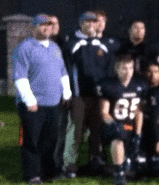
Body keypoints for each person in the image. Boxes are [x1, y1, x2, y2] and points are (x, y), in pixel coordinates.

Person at [12, 14, 73, 184]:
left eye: (48, 25)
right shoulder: (24, 48)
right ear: (34, 27)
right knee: (32, 141)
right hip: (33, 105)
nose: (46, 28)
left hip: (53, 103)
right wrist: (29, 100)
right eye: (42, 25)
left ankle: (47, 172)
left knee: (50, 141)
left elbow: (62, 72)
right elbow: (19, 76)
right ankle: (32, 174)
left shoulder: (54, 47)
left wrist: (66, 93)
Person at [63, 11, 114, 177]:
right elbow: (68, 71)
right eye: (88, 22)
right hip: (80, 96)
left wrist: (105, 90)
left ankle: (97, 160)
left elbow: (108, 69)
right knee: (75, 131)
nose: (91, 25)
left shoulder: (102, 44)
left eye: (94, 22)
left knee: (97, 130)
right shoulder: (73, 43)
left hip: (98, 96)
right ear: (81, 23)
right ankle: (69, 165)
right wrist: (69, 93)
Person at [98, 54, 147, 185]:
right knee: (118, 138)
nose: (128, 72)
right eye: (124, 68)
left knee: (141, 166)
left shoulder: (139, 85)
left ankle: (128, 166)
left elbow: (139, 112)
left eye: (130, 68)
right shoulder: (109, 86)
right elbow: (104, 112)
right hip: (114, 127)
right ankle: (118, 173)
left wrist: (138, 133)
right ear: (117, 69)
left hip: (130, 127)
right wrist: (114, 124)